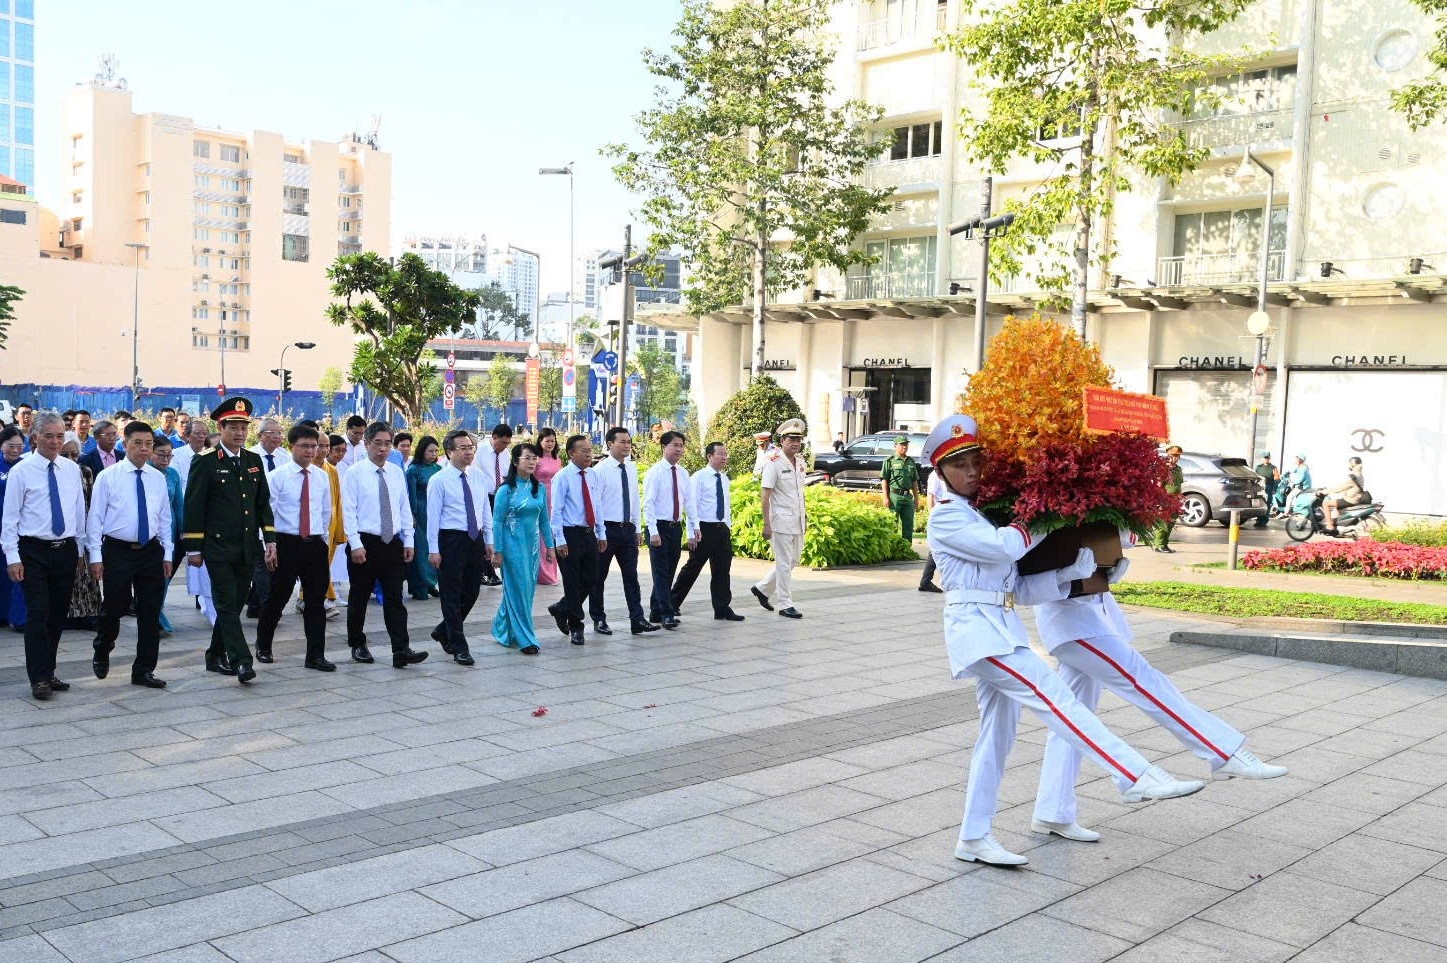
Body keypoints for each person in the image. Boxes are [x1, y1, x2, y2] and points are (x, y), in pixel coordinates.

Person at [921, 413, 1205, 867]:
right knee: (1058, 701)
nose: (971, 471)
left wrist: (1072, 573)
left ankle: (974, 837)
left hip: (999, 628)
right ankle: (1134, 775)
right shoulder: (948, 519)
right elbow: (1004, 548)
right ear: (940, 472)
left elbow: (1018, 588)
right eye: (959, 465)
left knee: (996, 736)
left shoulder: (980, 516)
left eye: (976, 462)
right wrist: (1047, 511)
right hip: (979, 636)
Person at [1032, 560, 1289, 843]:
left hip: (1091, 617)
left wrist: (1109, 560)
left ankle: (1052, 811)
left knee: (1071, 724)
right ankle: (1223, 753)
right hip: (1073, 624)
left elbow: (1122, 539)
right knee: (1145, 682)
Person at [184, 396, 276, 685]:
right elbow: (194, 506)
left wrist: (270, 538)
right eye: (232, 427)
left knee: (234, 604)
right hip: (218, 547)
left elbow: (263, 504)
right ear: (221, 428)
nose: (239, 433)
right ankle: (241, 661)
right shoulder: (206, 462)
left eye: (243, 427)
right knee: (225, 602)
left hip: (248, 546)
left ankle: (214, 654)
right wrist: (194, 548)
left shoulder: (253, 460)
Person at [1, 412, 87, 700]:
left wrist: (81, 548)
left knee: (57, 614)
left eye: (60, 436)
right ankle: (38, 677)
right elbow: (10, 518)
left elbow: (78, 512)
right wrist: (12, 556)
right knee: (38, 613)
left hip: (64, 550)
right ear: (34, 437)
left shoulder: (71, 469)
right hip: (32, 551)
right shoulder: (21, 471)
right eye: (49, 436)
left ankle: (49, 670)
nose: (55, 441)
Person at [87, 421, 171, 689]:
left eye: (148, 444)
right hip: (118, 550)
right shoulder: (108, 476)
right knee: (115, 606)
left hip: (150, 551)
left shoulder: (157, 477)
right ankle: (103, 646)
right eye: (138, 443)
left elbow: (165, 519)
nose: (144, 449)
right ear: (125, 444)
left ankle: (144, 669)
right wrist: (95, 557)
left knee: (149, 611)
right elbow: (95, 518)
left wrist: (168, 552)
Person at [341, 421, 428, 668]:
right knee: (359, 597)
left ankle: (401, 649)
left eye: (387, 443)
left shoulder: (396, 471)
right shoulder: (355, 473)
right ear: (366, 444)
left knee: (394, 598)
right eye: (377, 443)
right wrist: (355, 543)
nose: (382, 449)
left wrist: (408, 539)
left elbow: (403, 507)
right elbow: (348, 511)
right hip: (364, 542)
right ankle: (357, 644)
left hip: (392, 543)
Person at [255, 423, 337, 671]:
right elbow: (267, 513)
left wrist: (321, 539)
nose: (311, 451)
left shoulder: (322, 476)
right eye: (305, 446)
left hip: (313, 544)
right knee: (277, 597)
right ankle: (264, 645)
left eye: (314, 446)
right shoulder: (277, 476)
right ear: (291, 447)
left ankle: (315, 655)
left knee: (316, 602)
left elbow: (325, 511)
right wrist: (268, 545)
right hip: (284, 542)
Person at [425, 430, 492, 666]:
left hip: (474, 539)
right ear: (450, 452)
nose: (468, 452)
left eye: (470, 447)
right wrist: (433, 549)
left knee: (472, 590)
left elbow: (485, 508)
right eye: (462, 448)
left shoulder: (478, 476)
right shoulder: (439, 480)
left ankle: (445, 630)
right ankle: (459, 645)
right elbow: (432, 517)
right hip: (450, 540)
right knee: (451, 593)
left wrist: (489, 540)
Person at [592, 426, 659, 636]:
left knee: (631, 577)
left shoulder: (630, 467)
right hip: (607, 530)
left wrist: (637, 527)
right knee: (598, 577)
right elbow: (596, 505)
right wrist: (600, 533)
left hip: (627, 530)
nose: (627, 446)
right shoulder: (599, 471)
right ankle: (599, 619)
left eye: (629, 442)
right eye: (622, 442)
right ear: (610, 444)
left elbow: (634, 499)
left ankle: (637, 619)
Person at [491, 441, 555, 655]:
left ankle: (502, 628)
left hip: (533, 549)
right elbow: (497, 522)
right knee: (518, 589)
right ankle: (526, 638)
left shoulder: (539, 489)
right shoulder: (506, 490)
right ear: (515, 461)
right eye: (527, 457)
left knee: (525, 592)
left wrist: (550, 547)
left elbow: (544, 521)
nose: (532, 461)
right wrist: (498, 551)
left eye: (534, 458)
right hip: (511, 548)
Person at [673, 441, 744, 621]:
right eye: (720, 454)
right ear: (709, 456)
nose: (724, 457)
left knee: (722, 569)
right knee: (692, 568)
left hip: (721, 529)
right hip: (704, 529)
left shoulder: (724, 478)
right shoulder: (699, 477)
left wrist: (728, 527)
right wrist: (691, 533)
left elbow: (725, 506)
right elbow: (691, 507)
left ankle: (722, 608)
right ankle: (672, 604)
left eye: (725, 454)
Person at [547, 434, 607, 646]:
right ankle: (576, 626)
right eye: (583, 451)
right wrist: (559, 539)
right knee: (572, 582)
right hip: (569, 534)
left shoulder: (592, 475)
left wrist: (601, 532)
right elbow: (557, 510)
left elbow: (597, 505)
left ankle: (562, 608)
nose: (588, 454)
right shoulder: (562, 477)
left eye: (590, 450)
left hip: (588, 533)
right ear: (571, 453)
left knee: (592, 578)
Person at [751, 418, 809, 619]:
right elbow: (765, 494)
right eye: (791, 439)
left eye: (798, 439)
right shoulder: (773, 462)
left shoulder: (800, 462)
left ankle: (762, 588)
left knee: (794, 560)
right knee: (784, 563)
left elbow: (800, 493)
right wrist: (766, 523)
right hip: (781, 520)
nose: (795, 443)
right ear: (782, 440)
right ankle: (785, 604)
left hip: (797, 520)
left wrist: (805, 516)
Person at [643, 430, 690, 629]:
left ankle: (655, 611)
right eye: (675, 445)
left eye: (681, 445)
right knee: (660, 572)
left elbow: (689, 502)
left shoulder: (683, 473)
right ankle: (666, 612)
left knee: (669, 571)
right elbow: (649, 503)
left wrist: (692, 528)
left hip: (674, 527)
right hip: (659, 527)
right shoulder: (655, 472)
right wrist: (653, 531)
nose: (679, 449)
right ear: (664, 447)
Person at [244, 419, 287, 618]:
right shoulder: (249, 456)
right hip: (255, 517)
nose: (277, 437)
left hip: (279, 519)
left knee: (273, 565)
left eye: (280, 432)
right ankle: (269, 608)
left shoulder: (285, 457)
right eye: (273, 432)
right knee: (261, 564)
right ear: (260, 435)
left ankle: (254, 606)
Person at [59, 438, 103, 632]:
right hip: (64, 528)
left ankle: (89, 613)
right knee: (69, 574)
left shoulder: (85, 471)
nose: (70, 458)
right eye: (65, 454)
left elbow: (93, 501)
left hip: (85, 526)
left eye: (74, 454)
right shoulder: (55, 472)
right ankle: (68, 615)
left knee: (87, 572)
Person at [149, 434, 185, 636]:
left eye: (169, 455)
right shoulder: (145, 473)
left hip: (169, 534)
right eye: (161, 454)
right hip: (150, 534)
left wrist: (184, 531)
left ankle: (157, 611)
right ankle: (153, 617)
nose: (165, 459)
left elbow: (179, 505)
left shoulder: (172, 474)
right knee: (152, 579)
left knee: (165, 578)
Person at [405, 436, 443, 600]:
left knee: (434, 548)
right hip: (420, 513)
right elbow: (410, 495)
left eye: (436, 451)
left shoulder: (439, 469)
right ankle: (419, 586)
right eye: (430, 451)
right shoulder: (414, 470)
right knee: (420, 551)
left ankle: (431, 583)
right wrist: (412, 515)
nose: (433, 454)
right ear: (422, 451)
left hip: (436, 513)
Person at [476, 424, 513, 587]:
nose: (504, 446)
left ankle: (491, 569)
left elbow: (507, 473)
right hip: (485, 497)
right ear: (494, 437)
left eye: (507, 443)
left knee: (497, 531)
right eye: (502, 443)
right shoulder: (481, 451)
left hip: (500, 497)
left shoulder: (506, 453)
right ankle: (486, 571)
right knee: (486, 531)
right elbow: (474, 474)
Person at [0, 427, 26, 625]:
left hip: (18, 528)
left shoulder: (26, 467)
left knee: (17, 571)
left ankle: (17, 617)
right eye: (11, 446)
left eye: (19, 446)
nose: (15, 450)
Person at [534, 428, 563, 586]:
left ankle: (552, 573)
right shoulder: (535, 459)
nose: (550, 443)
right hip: (540, 498)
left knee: (552, 534)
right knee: (541, 537)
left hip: (555, 499)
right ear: (540, 441)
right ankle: (541, 574)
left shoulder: (557, 459)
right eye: (547, 441)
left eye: (552, 441)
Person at [880, 435, 921, 543]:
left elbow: (914, 481)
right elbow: (884, 480)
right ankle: (892, 548)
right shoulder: (889, 461)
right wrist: (885, 497)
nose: (905, 447)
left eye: (906, 444)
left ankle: (906, 549)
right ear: (895, 446)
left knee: (908, 524)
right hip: (894, 496)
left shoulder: (910, 462)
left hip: (908, 496)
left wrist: (916, 498)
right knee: (892, 523)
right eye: (902, 444)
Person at [1321, 456, 1368, 534]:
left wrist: (1326, 491)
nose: (1349, 464)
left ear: (1354, 464)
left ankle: (1329, 526)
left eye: (1350, 463)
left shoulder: (1354, 476)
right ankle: (1339, 525)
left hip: (1350, 500)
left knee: (1326, 503)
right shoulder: (1359, 474)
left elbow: (1339, 488)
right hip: (1353, 498)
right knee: (1336, 507)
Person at [918, 468, 945, 593]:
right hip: (941, 514)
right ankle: (925, 581)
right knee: (936, 548)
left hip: (948, 513)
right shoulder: (935, 474)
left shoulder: (948, 471)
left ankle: (926, 581)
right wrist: (932, 516)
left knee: (938, 548)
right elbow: (931, 495)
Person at [1152, 445, 1184, 553]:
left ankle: (1165, 544)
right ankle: (1159, 544)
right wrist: (1159, 500)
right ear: (1168, 455)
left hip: (1175, 500)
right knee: (1162, 523)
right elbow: (1158, 485)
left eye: (1177, 456)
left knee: (1171, 523)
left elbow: (1178, 485)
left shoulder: (1178, 469)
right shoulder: (1164, 468)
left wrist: (1180, 496)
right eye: (1173, 455)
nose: (1175, 458)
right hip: (1165, 499)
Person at [171, 419, 210, 490]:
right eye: (197, 433)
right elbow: (177, 483)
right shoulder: (175, 454)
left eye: (204, 433)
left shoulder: (211, 454)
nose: (201, 436)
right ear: (187, 436)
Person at [1253, 452, 1278, 529]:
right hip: (1259, 488)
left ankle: (1264, 521)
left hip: (1268, 488)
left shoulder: (1273, 468)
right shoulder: (1258, 467)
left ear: (1269, 458)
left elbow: (1276, 479)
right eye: (1264, 458)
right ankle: (1258, 520)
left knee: (1267, 505)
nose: (1266, 459)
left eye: (1267, 458)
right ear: (1262, 458)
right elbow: (1255, 477)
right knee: (1259, 504)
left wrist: (1274, 489)